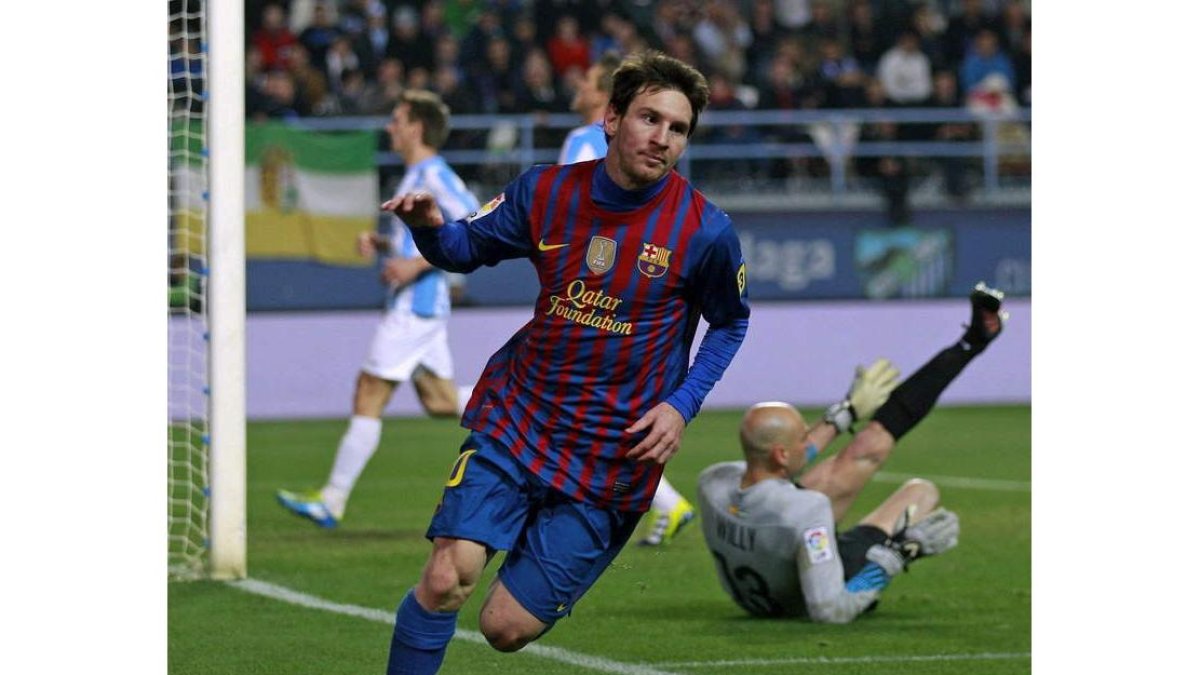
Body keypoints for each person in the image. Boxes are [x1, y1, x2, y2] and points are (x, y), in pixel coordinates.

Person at [382, 51, 750, 673]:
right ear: (611, 118)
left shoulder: (704, 230)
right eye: (649, 118)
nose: (662, 139)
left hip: (613, 455)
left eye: (678, 128)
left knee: (504, 628)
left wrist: (682, 405)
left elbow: (731, 321)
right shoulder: (545, 191)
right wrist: (428, 229)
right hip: (520, 420)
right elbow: (463, 248)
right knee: (447, 578)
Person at [697, 283, 1006, 622]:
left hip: (768, 568)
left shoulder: (715, 481)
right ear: (782, 456)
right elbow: (830, 610)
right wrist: (899, 554)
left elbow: (788, 459)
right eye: (804, 438)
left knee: (867, 446)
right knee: (921, 492)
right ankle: (881, 549)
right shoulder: (807, 510)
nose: (810, 442)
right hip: (801, 598)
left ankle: (969, 343)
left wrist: (847, 412)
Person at [276, 90, 480, 528]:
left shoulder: (434, 173)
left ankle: (331, 500)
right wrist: (387, 244)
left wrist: (413, 265)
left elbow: (471, 224)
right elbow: (425, 237)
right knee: (440, 400)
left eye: (397, 119)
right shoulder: (413, 177)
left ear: (417, 128)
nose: (390, 127)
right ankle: (515, 409)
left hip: (416, 304)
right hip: (420, 305)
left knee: (369, 390)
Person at [555, 49, 694, 547]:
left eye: (586, 83)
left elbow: (573, 208)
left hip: (587, 293)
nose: (577, 91)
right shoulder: (658, 152)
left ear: (605, 95)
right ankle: (665, 500)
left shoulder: (585, 140)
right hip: (632, 290)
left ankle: (650, 500)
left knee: (575, 401)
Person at [557, 51, 621, 165]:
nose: (579, 83)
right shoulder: (625, 141)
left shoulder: (582, 139)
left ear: (600, 96)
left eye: (586, 79)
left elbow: (571, 183)